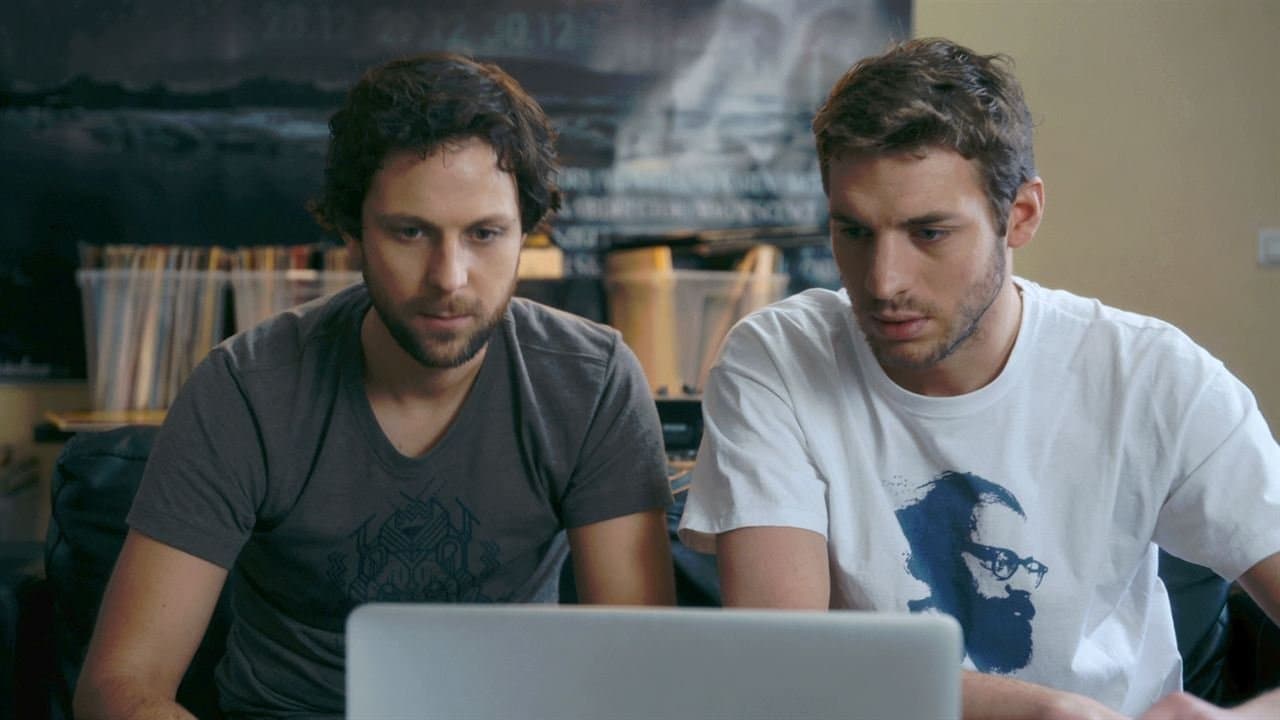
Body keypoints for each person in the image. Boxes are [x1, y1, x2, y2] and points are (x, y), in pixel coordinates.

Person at [678, 37, 1280, 719]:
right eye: (854, 232)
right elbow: (782, 665)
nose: (884, 282)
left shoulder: (1151, 375)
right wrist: (1045, 712)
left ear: (1020, 215)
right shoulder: (778, 358)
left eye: (929, 233)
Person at [76, 52, 676, 720]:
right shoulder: (247, 388)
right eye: (409, 232)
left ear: (526, 235)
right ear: (353, 234)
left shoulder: (590, 382)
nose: (449, 278)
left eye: (485, 234)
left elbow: (642, 677)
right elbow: (119, 685)